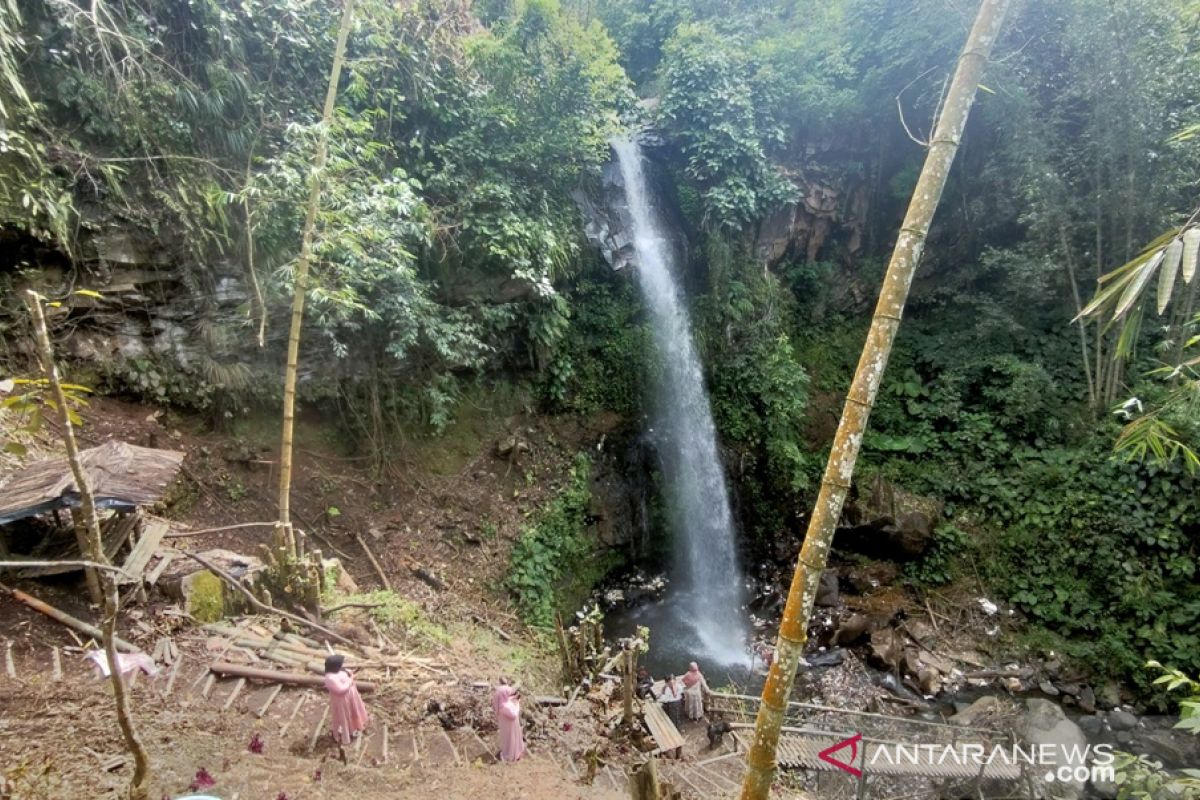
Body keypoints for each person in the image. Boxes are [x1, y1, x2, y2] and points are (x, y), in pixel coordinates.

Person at [324, 654, 369, 744]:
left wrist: (349, 673)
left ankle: (355, 726)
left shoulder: (338, 671)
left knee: (353, 712)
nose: (341, 666)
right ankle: (348, 732)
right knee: (346, 715)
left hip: (350, 697)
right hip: (342, 700)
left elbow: (344, 674)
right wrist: (350, 681)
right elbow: (340, 690)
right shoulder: (330, 678)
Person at [493, 680, 526, 762]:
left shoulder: (500, 702)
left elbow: (507, 699)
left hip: (507, 727)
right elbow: (513, 715)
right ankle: (511, 756)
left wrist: (514, 698)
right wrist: (517, 704)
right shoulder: (504, 706)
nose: (509, 694)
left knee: (508, 740)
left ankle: (513, 753)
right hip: (510, 727)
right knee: (512, 741)